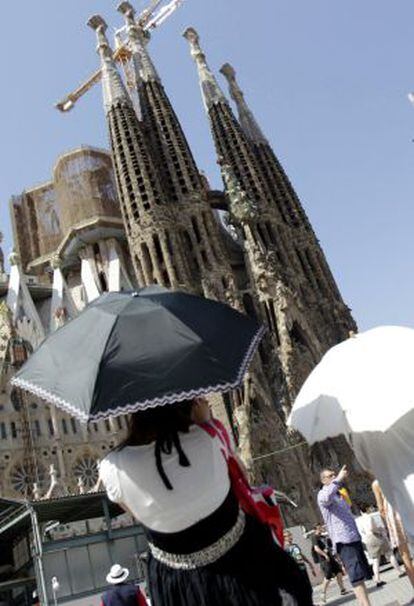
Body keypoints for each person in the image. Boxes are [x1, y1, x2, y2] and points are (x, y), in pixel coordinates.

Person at [99, 398, 313, 605]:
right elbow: (240, 475)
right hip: (241, 560)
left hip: (178, 584)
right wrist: (206, 421)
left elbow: (134, 513)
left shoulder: (112, 467)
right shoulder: (209, 435)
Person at [318, 466, 372, 606]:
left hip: (353, 537)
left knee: (360, 576)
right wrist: (339, 479)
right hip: (344, 540)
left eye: (335, 474)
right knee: (355, 576)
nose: (335, 476)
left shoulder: (338, 495)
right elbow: (325, 497)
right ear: (324, 480)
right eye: (331, 475)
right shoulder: (323, 494)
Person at [372, 479, 414, 600]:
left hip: (393, 516)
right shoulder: (396, 475)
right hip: (408, 510)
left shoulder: (376, 484)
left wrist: (387, 523)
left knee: (405, 556)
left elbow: (381, 509)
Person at [358, 506, 402, 587]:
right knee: (389, 553)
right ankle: (399, 571)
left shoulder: (360, 520)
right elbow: (371, 528)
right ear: (367, 509)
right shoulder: (369, 517)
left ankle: (377, 579)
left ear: (360, 511)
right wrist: (379, 530)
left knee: (375, 560)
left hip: (368, 539)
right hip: (376, 536)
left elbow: (362, 531)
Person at [311, 523, 348, 603]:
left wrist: (336, 557)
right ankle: (323, 594)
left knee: (338, 572)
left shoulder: (324, 537)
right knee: (328, 577)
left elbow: (330, 547)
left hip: (331, 558)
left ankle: (342, 589)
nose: (321, 528)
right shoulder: (314, 537)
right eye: (319, 527)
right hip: (324, 560)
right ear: (315, 529)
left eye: (321, 527)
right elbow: (316, 548)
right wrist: (325, 555)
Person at [284, 530, 316, 600]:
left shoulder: (295, 545)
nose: (290, 537)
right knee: (301, 589)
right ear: (284, 537)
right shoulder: (285, 548)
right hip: (295, 571)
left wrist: (309, 563)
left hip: (302, 568)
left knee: (308, 588)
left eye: (290, 535)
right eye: (288, 536)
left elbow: (301, 554)